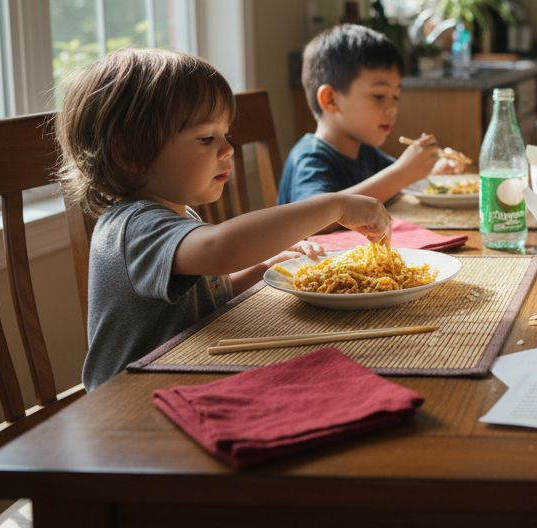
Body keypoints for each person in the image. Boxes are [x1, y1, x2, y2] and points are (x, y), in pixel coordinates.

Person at [57, 48, 392, 390]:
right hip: (131, 400)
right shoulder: (133, 227)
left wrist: (262, 269)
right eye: (206, 138)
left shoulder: (175, 212)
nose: (228, 148)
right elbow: (222, 248)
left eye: (225, 134)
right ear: (128, 153)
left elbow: (202, 299)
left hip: (189, 372)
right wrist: (333, 205)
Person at [278, 24, 464, 205]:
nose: (393, 108)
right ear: (331, 100)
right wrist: (402, 173)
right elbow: (312, 217)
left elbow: (393, 185)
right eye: (379, 96)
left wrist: (429, 171)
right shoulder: (310, 159)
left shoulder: (365, 153)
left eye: (396, 96)